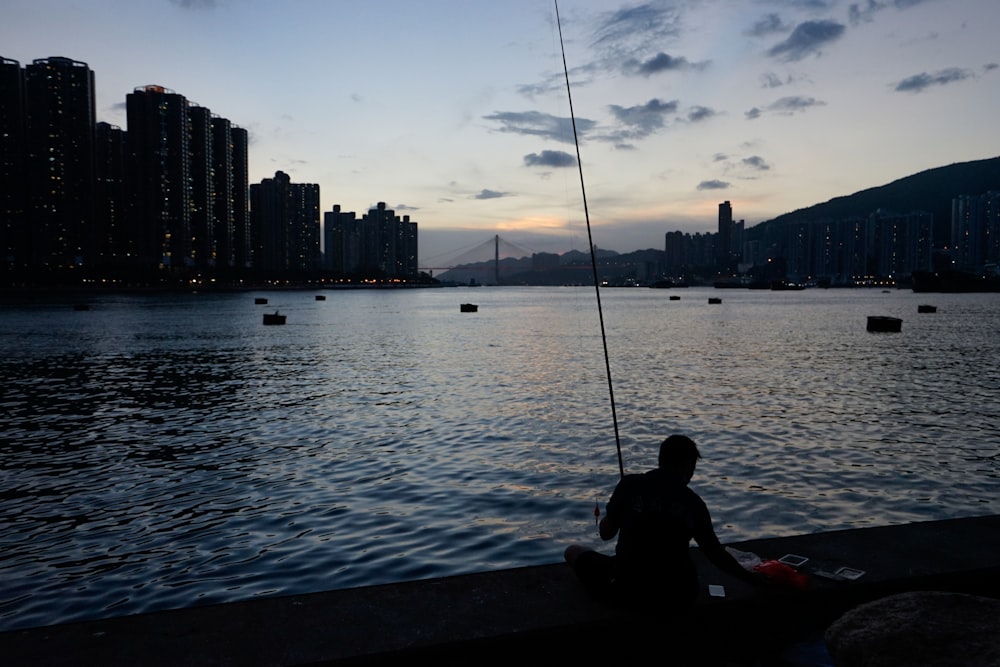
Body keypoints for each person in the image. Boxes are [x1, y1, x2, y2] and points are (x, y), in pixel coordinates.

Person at [564, 434, 768, 611]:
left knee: (573, 551)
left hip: (627, 589)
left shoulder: (630, 484)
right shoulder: (693, 502)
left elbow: (606, 533)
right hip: (678, 596)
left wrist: (613, 512)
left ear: (661, 460)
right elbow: (714, 553)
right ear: (688, 465)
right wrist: (752, 579)